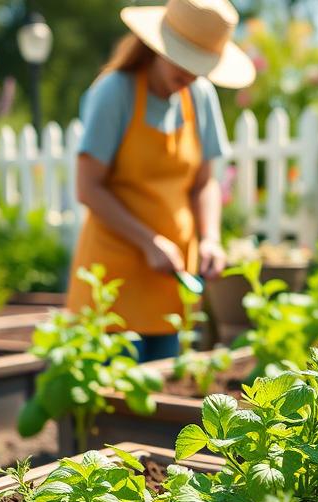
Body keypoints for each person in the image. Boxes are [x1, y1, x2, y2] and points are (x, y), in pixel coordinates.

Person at [67, 0, 255, 362]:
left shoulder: (199, 97)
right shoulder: (116, 92)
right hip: (113, 276)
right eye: (184, 61)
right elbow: (88, 187)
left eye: (200, 67)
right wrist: (148, 241)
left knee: (165, 388)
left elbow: (204, 183)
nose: (191, 75)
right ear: (158, 46)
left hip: (172, 279)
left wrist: (211, 237)